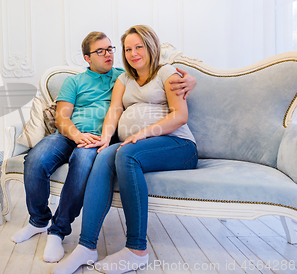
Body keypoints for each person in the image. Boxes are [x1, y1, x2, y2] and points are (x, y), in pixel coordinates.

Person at [11, 30, 197, 263]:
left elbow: (158, 75)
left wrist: (191, 79)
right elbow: (62, 118)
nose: (108, 54)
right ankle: (38, 221)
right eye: (100, 51)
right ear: (87, 58)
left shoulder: (123, 76)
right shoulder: (75, 81)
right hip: (71, 135)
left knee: (82, 162)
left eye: (110, 49)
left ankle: (58, 232)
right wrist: (77, 135)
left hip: (101, 140)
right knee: (35, 159)